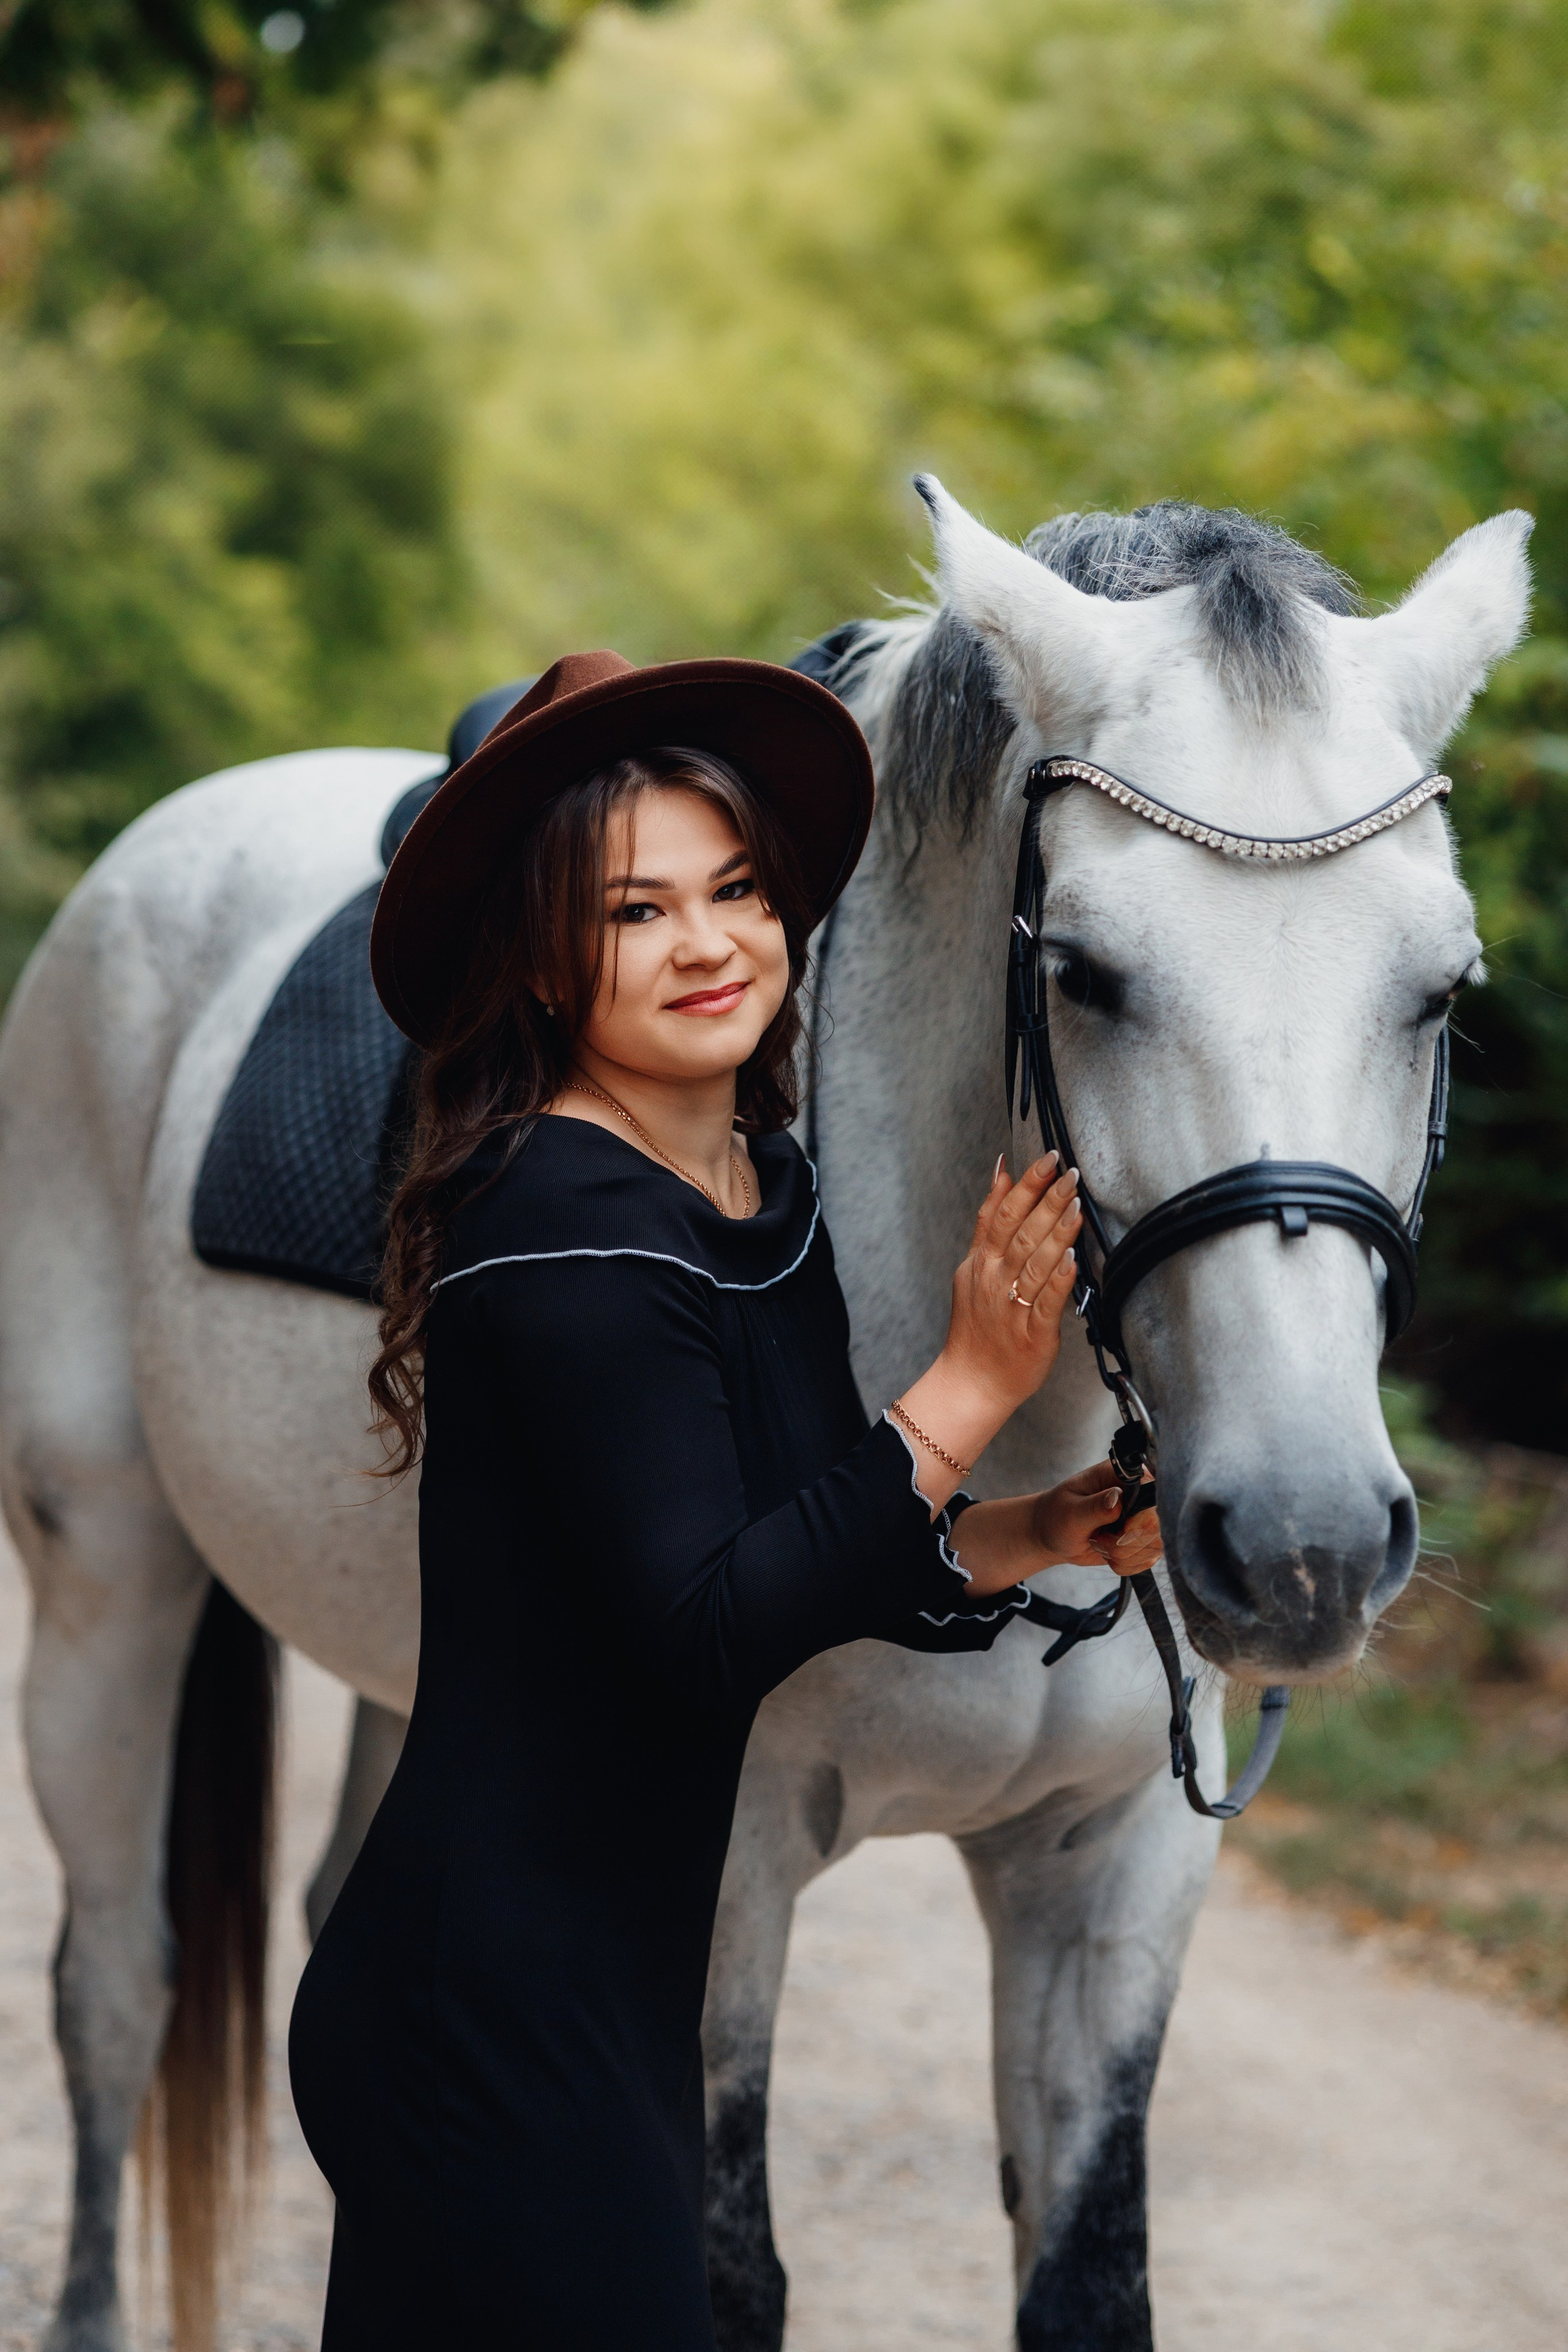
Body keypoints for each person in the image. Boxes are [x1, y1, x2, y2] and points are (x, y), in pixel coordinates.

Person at [288, 648, 1161, 2350]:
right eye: (636, 912)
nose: (709, 943)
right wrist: (970, 1385)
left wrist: (1035, 1528)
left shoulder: (759, 1188)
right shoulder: (560, 1223)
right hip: (481, 2002)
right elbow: (707, 1628)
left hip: (607, 1989)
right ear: (541, 960)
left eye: (738, 890)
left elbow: (810, 1541)